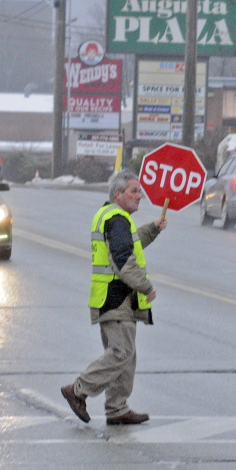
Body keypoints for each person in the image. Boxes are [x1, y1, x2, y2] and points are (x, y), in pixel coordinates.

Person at [61, 170, 167, 425]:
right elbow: (123, 260)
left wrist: (153, 229)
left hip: (111, 298)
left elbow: (130, 244)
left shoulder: (112, 217)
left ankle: (117, 407)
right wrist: (145, 286)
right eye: (134, 191)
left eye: (139, 191)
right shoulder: (117, 219)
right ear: (118, 194)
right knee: (121, 352)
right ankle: (78, 390)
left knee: (125, 354)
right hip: (116, 297)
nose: (139, 196)